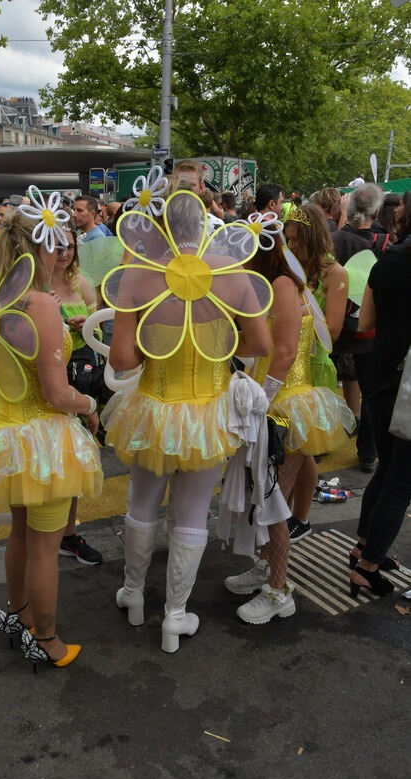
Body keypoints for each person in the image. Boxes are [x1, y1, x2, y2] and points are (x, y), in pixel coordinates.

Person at [102, 188, 272, 651]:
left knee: (142, 504)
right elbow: (259, 344)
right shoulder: (232, 274)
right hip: (207, 411)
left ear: (158, 228)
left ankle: (134, 596)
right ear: (203, 224)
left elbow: (120, 358)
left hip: (153, 408)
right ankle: (174, 618)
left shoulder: (137, 274)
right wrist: (218, 342)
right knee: (193, 512)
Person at [0, 204, 103, 670]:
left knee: (20, 533)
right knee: (45, 547)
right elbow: (56, 393)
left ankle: (18, 614)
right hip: (43, 438)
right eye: (62, 245)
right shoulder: (40, 303)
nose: (66, 254)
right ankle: (46, 639)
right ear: (46, 248)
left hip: (2, 432)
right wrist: (90, 407)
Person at [225, 223, 354, 623]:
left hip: (287, 406)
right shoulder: (277, 282)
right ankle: (267, 568)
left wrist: (263, 397)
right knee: (266, 493)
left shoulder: (281, 284)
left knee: (272, 499)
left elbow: (282, 352)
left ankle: (279, 590)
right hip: (279, 403)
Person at [349, 214, 411, 597]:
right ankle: (368, 565)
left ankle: (363, 546)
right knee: (402, 480)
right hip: (408, 385)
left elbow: (366, 321)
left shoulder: (385, 259)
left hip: (379, 373)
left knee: (389, 469)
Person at [283, 204, 349, 542]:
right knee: (288, 449)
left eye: (297, 240)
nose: (292, 247)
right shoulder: (290, 268)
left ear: (313, 237)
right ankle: (283, 515)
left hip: (314, 365)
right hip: (285, 366)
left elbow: (334, 330)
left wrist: (299, 313)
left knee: (305, 449)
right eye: (288, 240)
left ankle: (300, 517)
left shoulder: (333, 273)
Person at [48, 225, 104, 566]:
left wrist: (86, 323)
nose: (63, 253)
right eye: (56, 247)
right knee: (51, 458)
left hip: (81, 374)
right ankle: (49, 535)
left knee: (76, 458)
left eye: (68, 246)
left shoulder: (81, 283)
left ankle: (67, 534)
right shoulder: (37, 290)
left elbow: (99, 329)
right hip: (49, 379)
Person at [331, 183, 383, 472]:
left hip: (334, 327)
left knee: (323, 386)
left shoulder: (335, 239)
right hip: (368, 330)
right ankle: (367, 453)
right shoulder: (384, 245)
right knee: (371, 392)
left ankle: (317, 446)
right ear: (376, 211)